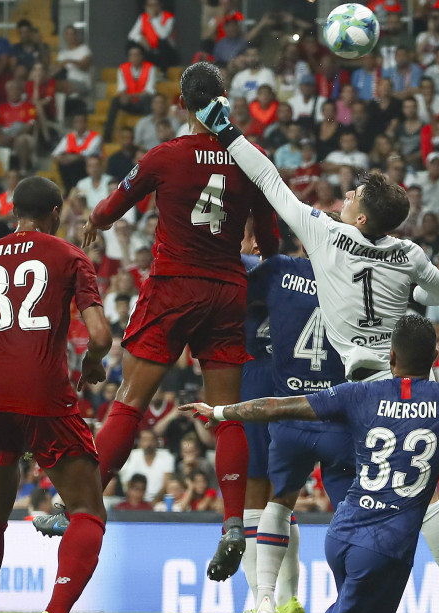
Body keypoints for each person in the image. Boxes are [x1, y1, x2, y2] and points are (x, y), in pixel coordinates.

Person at [196, 92, 439, 613]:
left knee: (347, 506)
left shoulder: (325, 236)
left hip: (357, 392)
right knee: (420, 497)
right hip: (399, 380)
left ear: (358, 217)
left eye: (351, 194)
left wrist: (227, 132)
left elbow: (270, 183)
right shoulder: (407, 254)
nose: (342, 197)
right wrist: (406, 284)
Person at [181, 269, 439, 613]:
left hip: (343, 532)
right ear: (435, 360)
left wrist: (222, 410)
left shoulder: (360, 394)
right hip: (385, 548)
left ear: (391, 358)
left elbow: (279, 407)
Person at [84, 61, 280, 582]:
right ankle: (234, 524)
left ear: (180, 105)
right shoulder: (252, 158)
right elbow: (271, 239)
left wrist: (94, 222)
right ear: (224, 100)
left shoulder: (165, 155)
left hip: (172, 286)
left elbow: (112, 206)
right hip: (227, 290)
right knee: (226, 413)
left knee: (130, 400)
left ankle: (83, 503)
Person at [0, 176, 112, 613]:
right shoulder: (67, 255)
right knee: (88, 510)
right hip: (42, 391)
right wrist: (89, 364)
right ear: (56, 212)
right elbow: (101, 337)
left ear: (13, 211)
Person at [243, 250, 354, 613]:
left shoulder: (281, 271)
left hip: (287, 410)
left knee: (277, 500)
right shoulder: (358, 276)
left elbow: (239, 289)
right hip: (338, 415)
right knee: (349, 516)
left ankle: (266, 597)